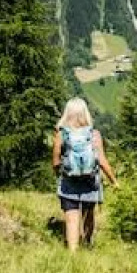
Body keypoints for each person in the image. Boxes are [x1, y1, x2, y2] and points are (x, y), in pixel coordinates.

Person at [52, 97, 118, 251]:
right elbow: (102, 160)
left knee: (71, 218)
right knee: (88, 214)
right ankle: (87, 245)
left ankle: (73, 253)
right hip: (90, 181)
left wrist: (59, 174)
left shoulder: (61, 135)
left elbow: (55, 162)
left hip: (69, 182)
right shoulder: (94, 134)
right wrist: (113, 180)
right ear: (85, 113)